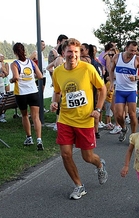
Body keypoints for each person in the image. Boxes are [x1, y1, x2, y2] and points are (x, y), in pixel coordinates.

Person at [50, 38, 108, 200]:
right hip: (65, 119)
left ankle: (100, 164)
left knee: (87, 157)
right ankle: (78, 185)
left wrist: (97, 109)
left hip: (85, 119)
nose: (73, 55)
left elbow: (102, 89)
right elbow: (57, 91)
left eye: (76, 52)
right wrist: (54, 102)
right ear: (63, 53)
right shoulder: (58, 72)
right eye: (70, 52)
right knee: (66, 154)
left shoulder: (88, 69)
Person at [109, 40, 139, 142]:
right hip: (120, 90)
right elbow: (111, 70)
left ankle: (133, 136)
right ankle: (124, 128)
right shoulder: (117, 57)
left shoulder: (137, 59)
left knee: (132, 114)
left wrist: (136, 77)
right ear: (126, 48)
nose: (133, 53)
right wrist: (112, 83)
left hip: (131, 91)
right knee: (118, 114)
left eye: (135, 50)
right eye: (131, 50)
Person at [10, 42, 44, 150]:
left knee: (25, 115)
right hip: (33, 91)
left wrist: (12, 80)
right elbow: (40, 76)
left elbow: (15, 77)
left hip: (21, 93)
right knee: (36, 117)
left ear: (15, 52)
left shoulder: (14, 64)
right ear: (24, 50)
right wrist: (30, 76)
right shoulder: (31, 62)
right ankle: (39, 139)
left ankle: (29, 137)